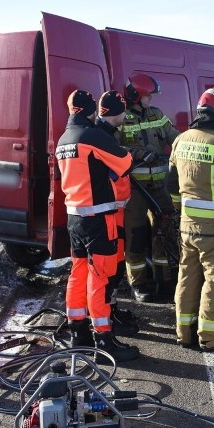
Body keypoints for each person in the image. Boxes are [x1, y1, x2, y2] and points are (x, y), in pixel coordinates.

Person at [55, 89, 139, 362]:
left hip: (74, 217)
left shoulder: (63, 139)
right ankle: (104, 340)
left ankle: (77, 332)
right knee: (100, 278)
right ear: (92, 111)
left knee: (78, 274)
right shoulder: (91, 136)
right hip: (99, 219)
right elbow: (125, 162)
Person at [167, 87, 214, 351]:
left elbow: (171, 185)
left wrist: (181, 211)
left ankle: (184, 332)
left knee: (187, 276)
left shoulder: (181, 139)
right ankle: (211, 337)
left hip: (188, 226)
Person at [118, 74, 181, 302]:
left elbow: (176, 138)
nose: (151, 99)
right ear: (135, 96)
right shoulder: (122, 119)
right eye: (148, 95)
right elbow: (114, 149)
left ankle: (164, 281)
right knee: (135, 235)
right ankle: (139, 284)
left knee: (165, 231)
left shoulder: (157, 115)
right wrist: (137, 154)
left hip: (160, 185)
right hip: (135, 188)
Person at [95, 90, 150, 337]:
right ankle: (105, 321)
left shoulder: (105, 134)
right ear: (114, 113)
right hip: (108, 213)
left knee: (114, 268)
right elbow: (122, 164)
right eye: (122, 110)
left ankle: (111, 310)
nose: (126, 114)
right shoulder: (102, 138)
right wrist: (134, 155)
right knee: (108, 271)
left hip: (114, 211)